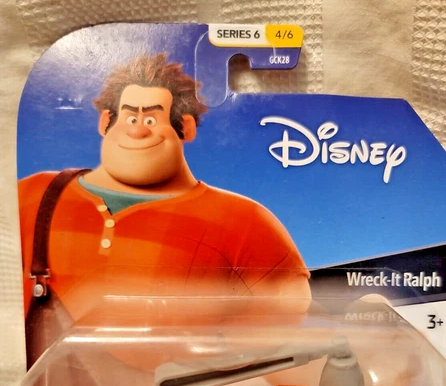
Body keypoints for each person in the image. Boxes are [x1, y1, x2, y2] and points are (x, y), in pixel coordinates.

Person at [19, 53, 311, 366]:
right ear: (105, 122)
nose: (137, 131)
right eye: (130, 118)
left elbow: (288, 326)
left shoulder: (243, 221)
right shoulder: (34, 194)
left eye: (151, 120)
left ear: (185, 127)